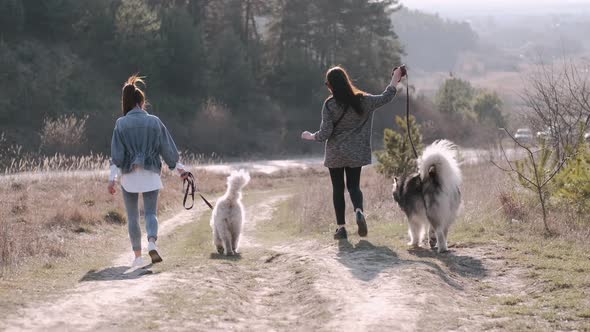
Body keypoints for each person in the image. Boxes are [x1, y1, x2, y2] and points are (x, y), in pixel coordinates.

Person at [301, 66, 404, 239]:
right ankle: (358, 211)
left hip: (335, 153)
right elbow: (387, 96)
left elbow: (325, 133)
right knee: (354, 186)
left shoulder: (330, 104)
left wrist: (311, 136)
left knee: (338, 189)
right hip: (356, 152)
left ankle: (341, 229)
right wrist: (395, 77)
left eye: (328, 84)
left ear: (331, 85)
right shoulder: (363, 100)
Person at [108, 75, 187, 267]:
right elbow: (167, 150)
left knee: (133, 217)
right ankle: (152, 242)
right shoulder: (154, 122)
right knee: (151, 213)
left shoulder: (121, 124)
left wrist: (112, 179)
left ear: (126, 102)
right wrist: (180, 170)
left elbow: (116, 156)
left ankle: (137, 257)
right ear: (142, 102)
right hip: (151, 173)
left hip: (129, 176)